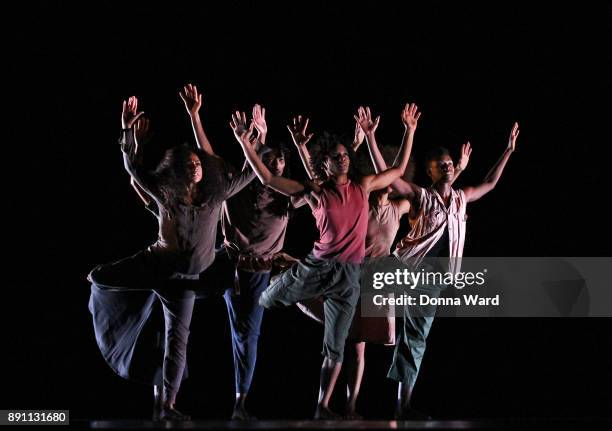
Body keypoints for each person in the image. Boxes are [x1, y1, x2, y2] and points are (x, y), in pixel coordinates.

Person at [230, 106, 417, 419]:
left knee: (337, 346)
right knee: (268, 299)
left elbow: (397, 170)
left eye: (345, 154)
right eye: (336, 156)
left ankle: (322, 407)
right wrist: (245, 143)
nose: (343, 158)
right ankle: (283, 271)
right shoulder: (315, 191)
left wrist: (409, 130)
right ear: (325, 164)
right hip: (317, 267)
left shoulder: (363, 186)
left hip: (347, 277)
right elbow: (267, 177)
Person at [88, 92, 256, 420]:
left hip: (187, 281)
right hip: (157, 266)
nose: (195, 167)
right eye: (189, 164)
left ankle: (167, 406)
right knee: (101, 276)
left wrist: (255, 141)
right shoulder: (166, 196)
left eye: (198, 164)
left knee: (178, 341)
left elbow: (252, 174)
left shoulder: (216, 194)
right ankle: (95, 276)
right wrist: (127, 132)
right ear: (178, 170)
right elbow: (132, 166)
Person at [366, 114, 519, 419]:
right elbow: (388, 174)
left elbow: (489, 183)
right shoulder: (422, 196)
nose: (448, 165)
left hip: (432, 280)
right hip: (403, 271)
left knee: (414, 338)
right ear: (430, 171)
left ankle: (401, 405)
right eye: (441, 164)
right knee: (374, 330)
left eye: (450, 163)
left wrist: (508, 150)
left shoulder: (461, 199)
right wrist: (371, 137)